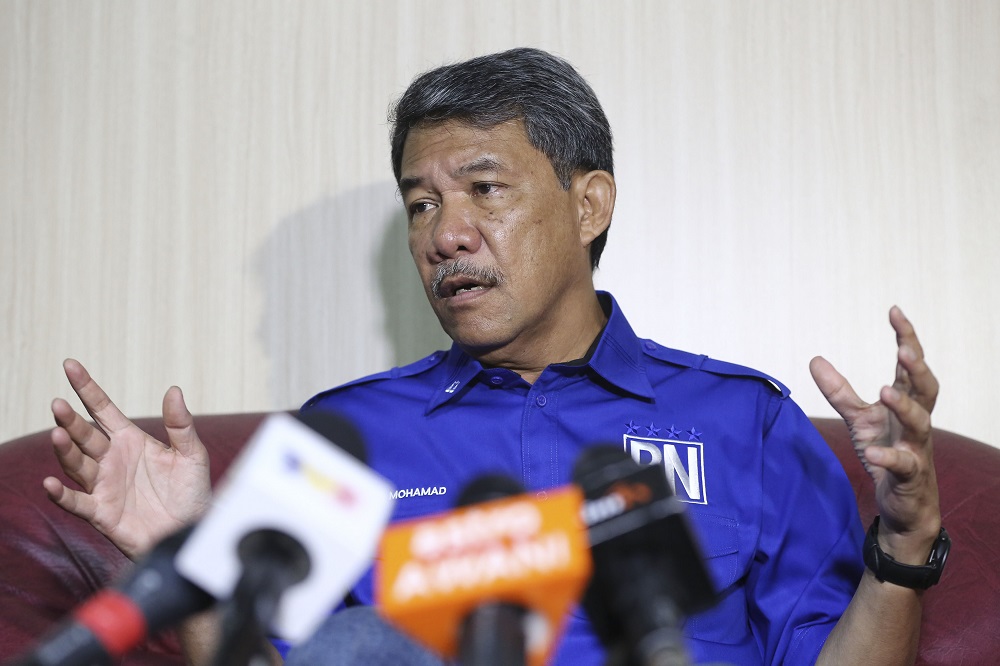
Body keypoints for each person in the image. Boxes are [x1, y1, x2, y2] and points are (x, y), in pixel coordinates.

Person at [43, 48, 943, 665]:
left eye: (483, 189)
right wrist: (188, 562)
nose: (447, 235)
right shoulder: (342, 436)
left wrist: (903, 546)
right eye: (422, 204)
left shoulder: (742, 421)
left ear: (589, 205)